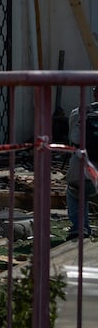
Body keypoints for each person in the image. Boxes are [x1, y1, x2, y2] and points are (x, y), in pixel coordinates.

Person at [68, 87, 98, 240]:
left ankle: (80, 229)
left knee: (74, 192)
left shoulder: (78, 112)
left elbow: (74, 140)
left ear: (94, 93)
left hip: (82, 169)